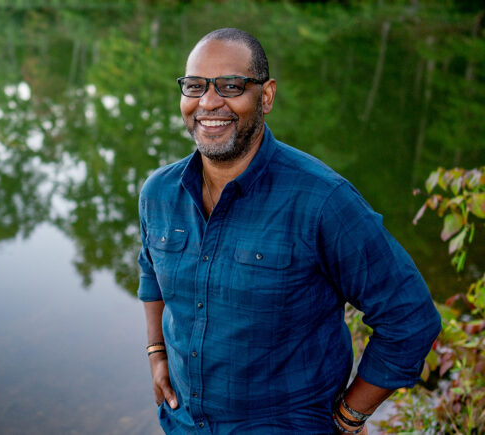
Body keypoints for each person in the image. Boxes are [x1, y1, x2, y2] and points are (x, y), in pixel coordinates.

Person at [137, 28, 441, 434]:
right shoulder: (158, 193)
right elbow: (151, 273)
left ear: (265, 96)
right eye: (195, 86)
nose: (209, 102)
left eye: (231, 86)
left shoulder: (323, 201)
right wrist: (157, 354)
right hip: (183, 424)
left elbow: (411, 319)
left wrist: (351, 416)